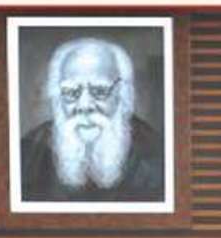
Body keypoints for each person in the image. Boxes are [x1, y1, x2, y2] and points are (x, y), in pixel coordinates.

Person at [18, 36, 164, 202]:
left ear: (121, 92)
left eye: (100, 90)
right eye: (71, 91)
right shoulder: (29, 153)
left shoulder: (155, 154)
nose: (85, 105)